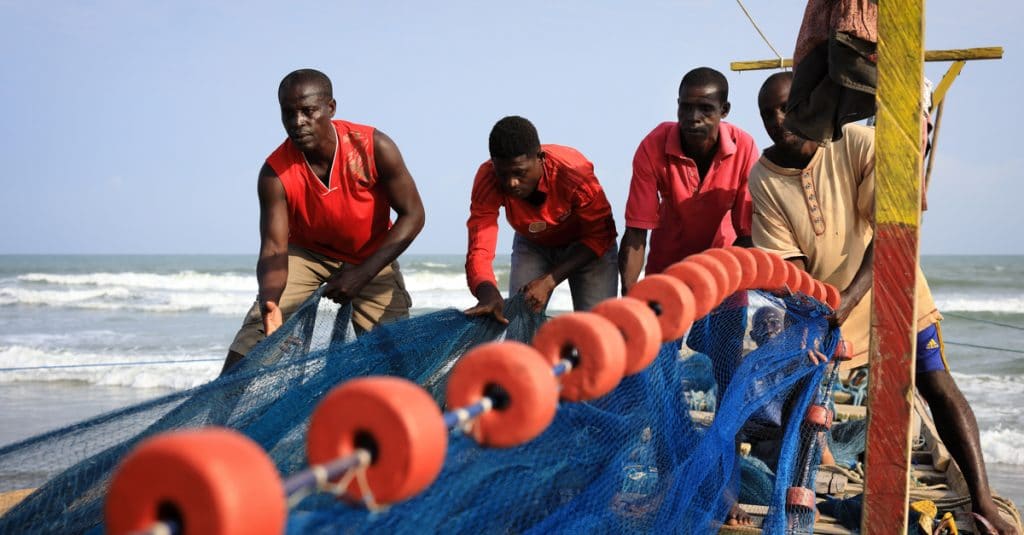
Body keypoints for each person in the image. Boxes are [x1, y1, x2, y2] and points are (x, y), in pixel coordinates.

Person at [749, 71, 1017, 535]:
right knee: (797, 396)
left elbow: (891, 232)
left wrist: (852, 296)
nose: (780, 119)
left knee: (935, 384)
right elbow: (790, 267)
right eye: (769, 113)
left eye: (789, 106)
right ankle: (793, 501)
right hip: (828, 304)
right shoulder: (764, 178)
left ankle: (982, 502)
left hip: (893, 286)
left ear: (811, 105)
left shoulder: (856, 142)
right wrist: (823, 312)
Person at [221, 69, 425, 375]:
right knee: (258, 332)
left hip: (369, 254)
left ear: (330, 108)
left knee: (396, 356)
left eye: (308, 111)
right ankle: (215, 414)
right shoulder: (274, 173)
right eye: (288, 114)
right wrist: (271, 302)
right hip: (308, 253)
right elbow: (274, 248)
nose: (297, 122)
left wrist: (363, 273)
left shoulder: (373, 147)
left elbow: (413, 215)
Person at [464, 116, 618, 322]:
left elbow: (601, 235)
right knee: (518, 326)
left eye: (520, 172)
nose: (511, 183)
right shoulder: (488, 178)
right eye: (503, 174)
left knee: (595, 330)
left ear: (540, 157)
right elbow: (479, 247)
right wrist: (486, 291)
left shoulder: (573, 172)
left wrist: (549, 281)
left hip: (587, 246)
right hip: (533, 244)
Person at [619, 67, 759, 293]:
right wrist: (628, 297)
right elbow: (636, 232)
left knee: (726, 328)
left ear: (724, 110)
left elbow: (747, 235)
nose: (693, 118)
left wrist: (727, 283)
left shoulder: (744, 146)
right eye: (685, 107)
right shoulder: (653, 145)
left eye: (705, 109)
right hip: (667, 272)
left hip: (723, 275)